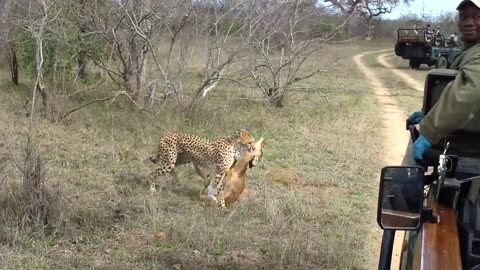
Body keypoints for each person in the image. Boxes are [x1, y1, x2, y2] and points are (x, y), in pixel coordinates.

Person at [404, 0, 480, 165]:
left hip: (469, 142)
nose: (469, 22)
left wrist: (431, 129)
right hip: (466, 135)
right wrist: (429, 111)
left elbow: (471, 93)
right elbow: (455, 86)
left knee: (415, 146)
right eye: (464, 16)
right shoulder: (471, 50)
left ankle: (401, 191)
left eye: (477, 17)